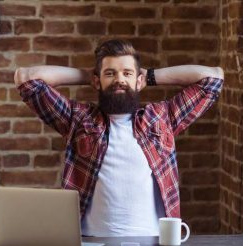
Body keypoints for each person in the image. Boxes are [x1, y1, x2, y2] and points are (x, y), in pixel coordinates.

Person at [13, 39, 224, 237]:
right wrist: (91, 76)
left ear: (138, 80)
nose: (119, 80)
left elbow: (213, 79)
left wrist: (149, 76)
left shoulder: (162, 118)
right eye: (110, 74)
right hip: (91, 240)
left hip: (151, 240)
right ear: (97, 81)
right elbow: (27, 78)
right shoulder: (78, 119)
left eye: (127, 73)